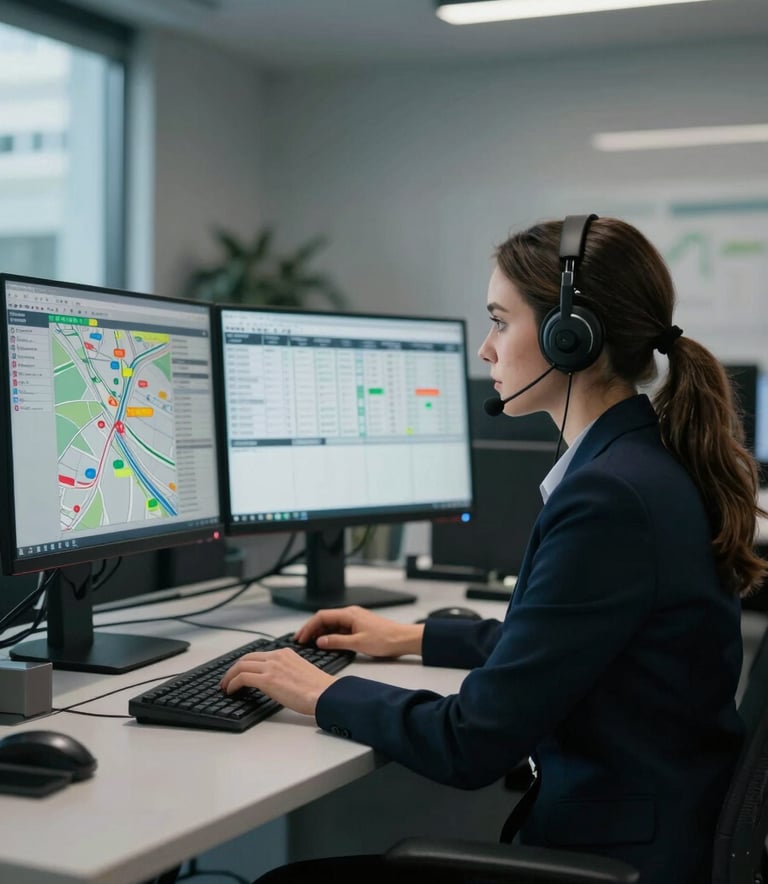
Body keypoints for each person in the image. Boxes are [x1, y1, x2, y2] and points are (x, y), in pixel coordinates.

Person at [221, 215, 767, 884]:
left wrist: (322, 693)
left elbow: (471, 743)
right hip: (657, 833)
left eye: (500, 321)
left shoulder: (610, 497)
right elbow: (573, 643)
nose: (486, 349)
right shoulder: (644, 463)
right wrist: (412, 638)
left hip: (616, 861)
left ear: (573, 338)